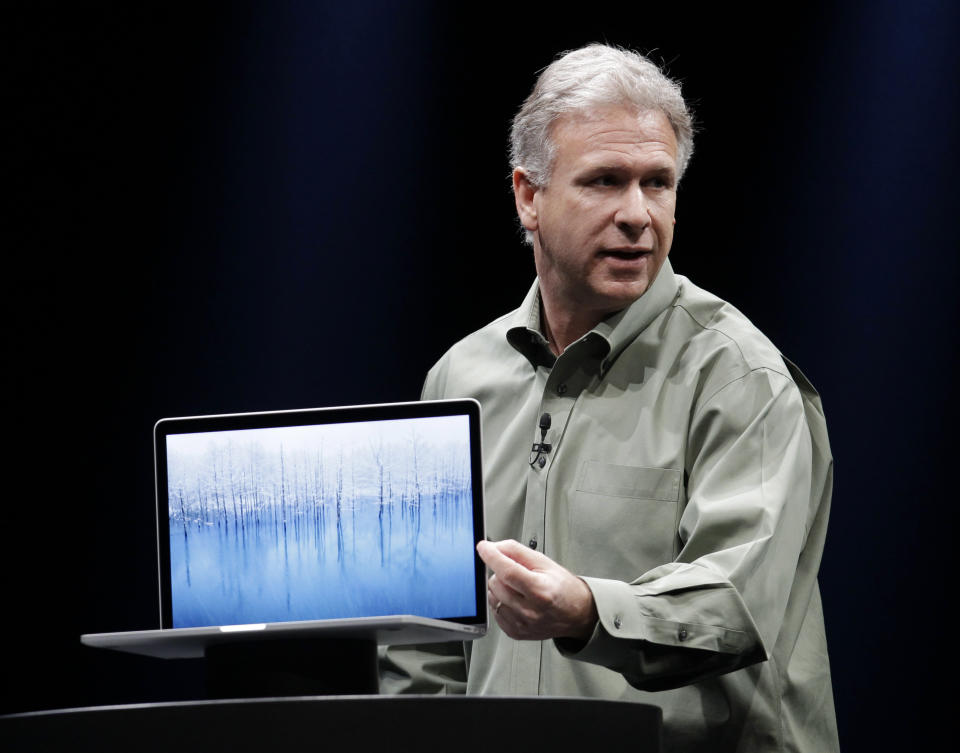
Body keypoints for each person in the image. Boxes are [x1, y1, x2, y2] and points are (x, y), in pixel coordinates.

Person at [380, 44, 839, 753]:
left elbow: (737, 602)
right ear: (528, 196)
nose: (637, 214)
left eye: (657, 183)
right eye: (604, 181)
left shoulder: (739, 375)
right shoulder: (459, 378)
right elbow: (425, 640)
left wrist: (589, 610)